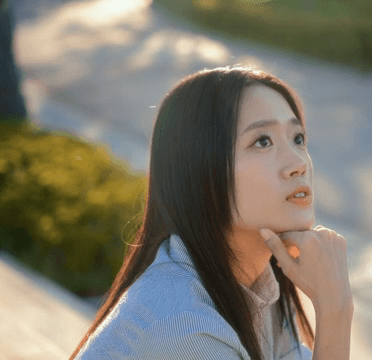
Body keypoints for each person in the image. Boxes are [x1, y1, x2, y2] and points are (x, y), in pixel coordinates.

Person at [70, 66, 354, 359]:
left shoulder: (256, 287)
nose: (298, 162)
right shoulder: (184, 326)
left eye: (298, 138)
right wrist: (336, 309)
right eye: (263, 141)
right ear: (202, 173)